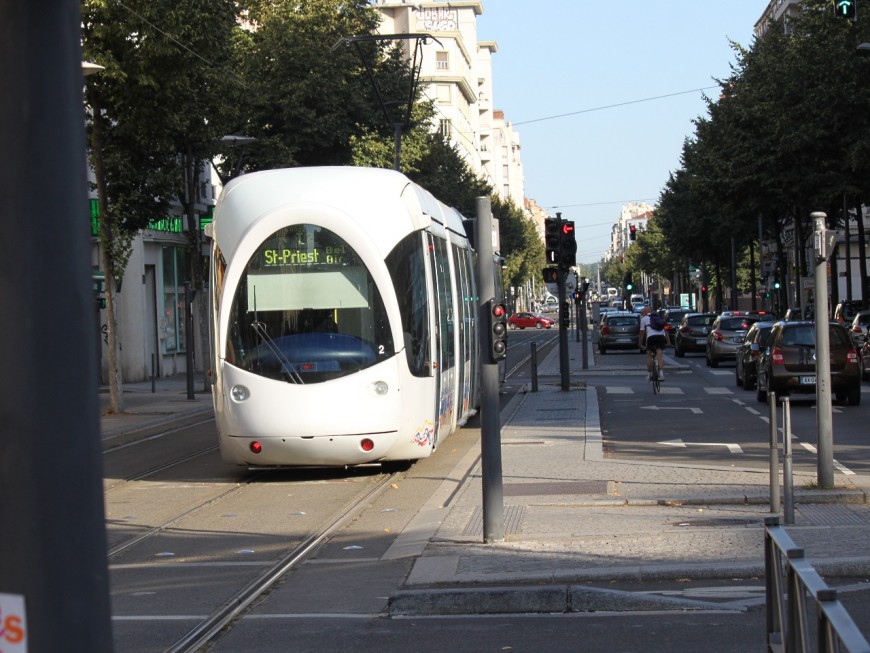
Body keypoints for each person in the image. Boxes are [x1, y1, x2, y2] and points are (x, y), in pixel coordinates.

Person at [639, 307, 669, 380]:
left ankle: (649, 374)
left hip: (651, 337)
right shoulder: (659, 318)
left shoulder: (644, 319)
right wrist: (668, 342)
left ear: (645, 312)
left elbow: (642, 333)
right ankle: (661, 374)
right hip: (660, 337)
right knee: (660, 356)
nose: (642, 314)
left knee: (649, 355)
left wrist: (640, 344)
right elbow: (665, 331)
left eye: (642, 312)